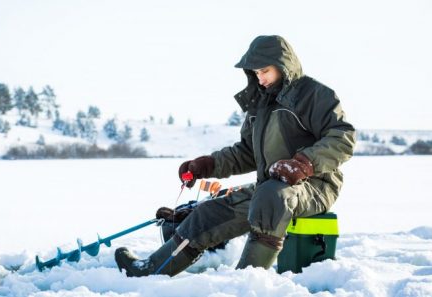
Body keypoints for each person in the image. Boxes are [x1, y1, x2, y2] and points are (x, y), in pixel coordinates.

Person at [115, 35, 356, 277]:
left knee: (271, 197)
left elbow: (342, 137)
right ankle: (150, 270)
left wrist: (303, 163)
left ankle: (245, 283)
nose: (260, 78)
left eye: (265, 71)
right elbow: (246, 153)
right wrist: (206, 166)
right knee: (206, 214)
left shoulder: (314, 95)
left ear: (284, 65)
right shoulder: (260, 105)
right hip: (268, 188)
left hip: (314, 185)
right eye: (255, 73)